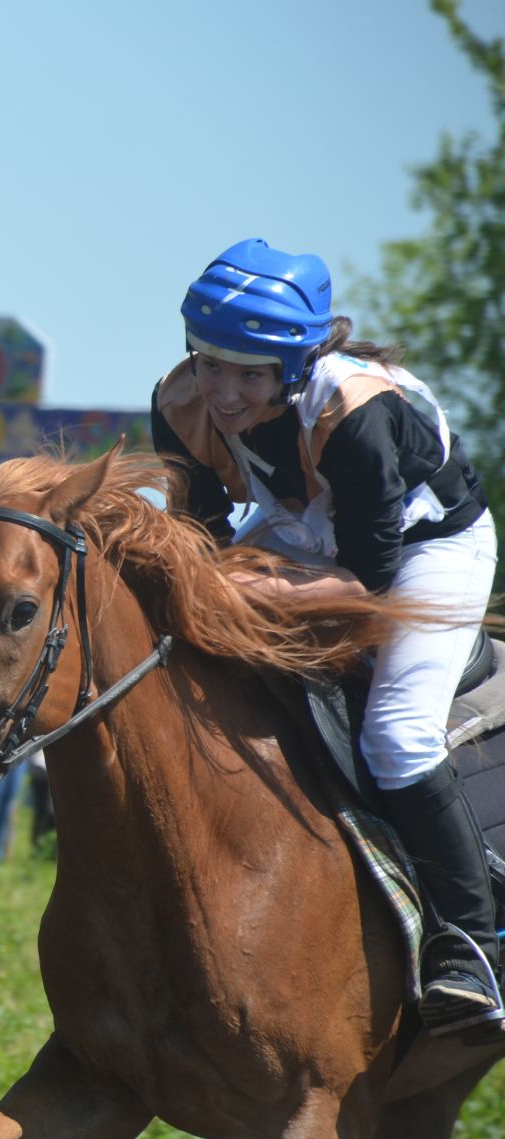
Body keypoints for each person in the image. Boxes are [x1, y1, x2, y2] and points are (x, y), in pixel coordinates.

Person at [154, 237, 500, 1030]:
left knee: (398, 739)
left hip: (425, 551)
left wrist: (250, 584)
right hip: (299, 530)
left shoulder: (360, 412)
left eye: (249, 372)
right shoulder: (178, 403)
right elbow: (201, 537)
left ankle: (470, 952)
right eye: (210, 363)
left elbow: (366, 579)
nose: (226, 393)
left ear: (298, 365)